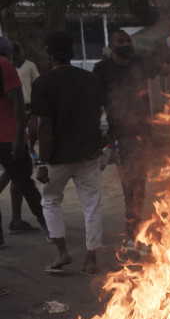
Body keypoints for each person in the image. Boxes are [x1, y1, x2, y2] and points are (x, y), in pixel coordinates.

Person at [31, 31, 106, 275]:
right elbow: (98, 114)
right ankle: (91, 258)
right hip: (88, 154)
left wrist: (42, 161)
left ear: (49, 53)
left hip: (58, 156)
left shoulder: (42, 83)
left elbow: (44, 124)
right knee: (91, 205)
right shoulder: (90, 79)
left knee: (51, 200)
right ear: (72, 53)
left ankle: (61, 253)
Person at [93, 29, 158, 250]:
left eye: (128, 40)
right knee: (129, 185)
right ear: (111, 47)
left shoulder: (139, 63)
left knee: (140, 185)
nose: (126, 44)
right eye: (121, 41)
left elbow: (161, 64)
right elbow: (97, 103)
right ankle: (131, 235)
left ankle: (135, 232)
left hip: (143, 133)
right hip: (121, 135)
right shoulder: (102, 69)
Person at [0, 38, 47, 243]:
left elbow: (19, 105)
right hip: (9, 136)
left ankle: (47, 225)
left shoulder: (6, 67)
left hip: (9, 135)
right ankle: (50, 226)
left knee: (22, 181)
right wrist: (19, 138)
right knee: (25, 183)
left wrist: (20, 137)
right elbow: (17, 103)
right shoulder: (5, 66)